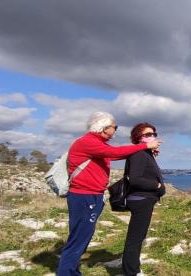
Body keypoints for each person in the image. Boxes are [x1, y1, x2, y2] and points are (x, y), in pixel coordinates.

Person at [57, 112, 161, 276]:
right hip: (84, 196)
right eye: (115, 127)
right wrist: (144, 147)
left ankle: (71, 270)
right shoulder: (89, 142)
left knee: (83, 236)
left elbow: (117, 153)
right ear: (104, 128)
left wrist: (147, 153)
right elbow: (116, 153)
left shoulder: (97, 143)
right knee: (79, 238)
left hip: (92, 195)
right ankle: (66, 273)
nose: (115, 130)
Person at [121, 122, 166, 276]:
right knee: (135, 238)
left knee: (138, 237)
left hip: (143, 200)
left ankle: (133, 268)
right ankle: (131, 271)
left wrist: (151, 154)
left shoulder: (145, 153)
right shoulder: (139, 154)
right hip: (141, 200)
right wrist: (157, 185)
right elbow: (135, 179)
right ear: (138, 138)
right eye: (147, 135)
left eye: (153, 134)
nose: (152, 137)